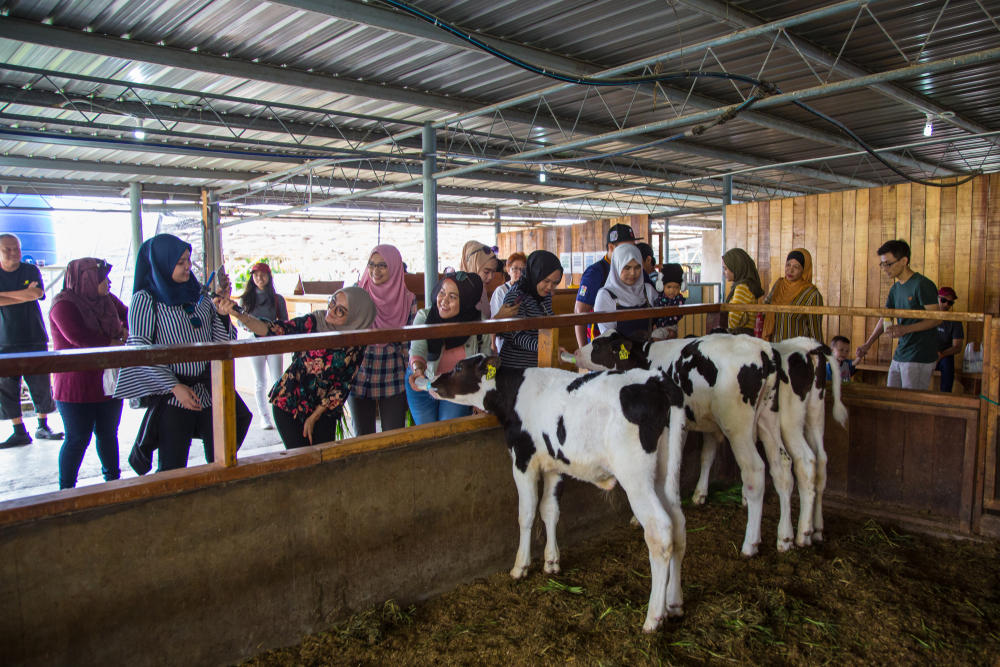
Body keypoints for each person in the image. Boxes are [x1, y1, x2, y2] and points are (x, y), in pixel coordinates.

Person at [114, 234, 251, 473]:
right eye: (180, 262)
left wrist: (221, 314)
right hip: (173, 396)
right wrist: (175, 387)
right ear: (162, 263)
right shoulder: (145, 300)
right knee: (173, 465)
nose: (188, 266)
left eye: (188, 259)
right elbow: (140, 350)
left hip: (208, 391)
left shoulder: (201, 296)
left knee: (222, 459)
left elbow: (223, 344)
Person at [228, 286, 376, 449]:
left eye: (340, 310)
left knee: (324, 459)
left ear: (356, 316)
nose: (332, 309)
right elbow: (274, 330)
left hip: (324, 408)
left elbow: (343, 384)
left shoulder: (356, 341)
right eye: (332, 301)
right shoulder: (314, 322)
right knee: (300, 457)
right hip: (290, 401)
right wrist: (240, 315)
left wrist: (314, 416)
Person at [48, 258, 128, 489]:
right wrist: (114, 342)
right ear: (87, 279)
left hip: (107, 381)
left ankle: (113, 481)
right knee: (77, 438)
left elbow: (130, 315)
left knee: (108, 434)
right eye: (103, 277)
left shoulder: (107, 300)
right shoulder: (63, 304)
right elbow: (78, 337)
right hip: (76, 384)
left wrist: (124, 329)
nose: (109, 282)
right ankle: (66, 489)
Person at [0, 233, 63, 448]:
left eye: (15, 248)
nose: (13, 252)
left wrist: (7, 296)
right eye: (7, 249)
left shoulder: (30, 269)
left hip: (34, 334)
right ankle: (18, 431)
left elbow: (36, 293)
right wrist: (24, 294)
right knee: (7, 386)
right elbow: (29, 294)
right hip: (4, 338)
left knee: (40, 381)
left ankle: (43, 425)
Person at [407, 272, 492, 424]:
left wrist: (482, 399)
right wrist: (418, 370)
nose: (444, 301)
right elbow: (418, 347)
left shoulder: (479, 323)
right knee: (426, 432)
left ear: (467, 300)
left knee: (448, 431)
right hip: (424, 380)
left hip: (457, 386)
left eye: (453, 297)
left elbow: (485, 364)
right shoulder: (424, 316)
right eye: (442, 292)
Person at [856, 239, 940, 390]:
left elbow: (937, 319)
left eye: (888, 264)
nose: (884, 268)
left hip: (920, 355)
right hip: (900, 353)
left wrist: (906, 329)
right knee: (891, 398)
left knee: (911, 404)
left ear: (904, 261)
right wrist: (867, 344)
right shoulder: (895, 288)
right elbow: (886, 317)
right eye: (882, 264)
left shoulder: (922, 284)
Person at [350, 245, 416, 436]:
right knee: (363, 436)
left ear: (395, 268)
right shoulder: (356, 294)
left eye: (382, 266)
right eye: (371, 264)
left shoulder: (406, 298)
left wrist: (411, 373)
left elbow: (408, 343)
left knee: (393, 435)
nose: (375, 271)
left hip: (392, 374)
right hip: (359, 373)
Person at [238, 262, 288, 430]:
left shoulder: (277, 299)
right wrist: (250, 325)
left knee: (278, 380)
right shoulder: (245, 299)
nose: (259, 278)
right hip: (254, 341)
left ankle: (280, 415)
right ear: (252, 277)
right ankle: (264, 417)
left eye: (263, 274)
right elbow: (239, 321)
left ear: (268, 277)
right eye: (256, 275)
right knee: (260, 381)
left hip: (274, 342)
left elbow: (285, 321)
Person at [574, 223, 640, 347]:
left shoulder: (637, 270)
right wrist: (583, 350)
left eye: (633, 247)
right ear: (611, 247)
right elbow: (580, 312)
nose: (630, 252)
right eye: (624, 247)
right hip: (601, 345)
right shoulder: (596, 273)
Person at [499, 250, 564, 369]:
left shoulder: (545, 295)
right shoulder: (516, 296)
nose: (550, 287)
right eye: (546, 281)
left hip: (539, 365)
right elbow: (518, 336)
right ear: (535, 273)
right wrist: (547, 347)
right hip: (516, 369)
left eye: (554, 283)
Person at [593, 244, 661, 339]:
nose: (633, 273)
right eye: (627, 268)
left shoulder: (648, 290)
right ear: (617, 267)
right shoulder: (606, 296)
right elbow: (608, 338)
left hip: (649, 352)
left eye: (637, 267)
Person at [762, 248, 824, 342]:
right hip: (774, 348)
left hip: (797, 352)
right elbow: (765, 307)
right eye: (788, 265)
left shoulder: (812, 295)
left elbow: (815, 331)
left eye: (796, 267)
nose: (790, 270)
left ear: (805, 269)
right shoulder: (779, 284)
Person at [722, 248, 764, 335]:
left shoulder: (742, 287)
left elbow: (733, 321)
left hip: (739, 337)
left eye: (725, 268)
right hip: (746, 336)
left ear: (736, 267)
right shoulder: (747, 285)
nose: (723, 273)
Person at [459, 240, 500, 319]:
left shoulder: (482, 290)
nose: (490, 277)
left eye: (494, 271)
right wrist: (499, 317)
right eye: (486, 272)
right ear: (472, 267)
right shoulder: (460, 294)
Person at [934, 287, 964, 393]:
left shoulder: (954, 321)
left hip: (943, 357)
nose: (947, 305)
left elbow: (957, 347)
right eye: (943, 300)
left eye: (950, 303)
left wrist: (941, 354)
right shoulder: (927, 316)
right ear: (936, 299)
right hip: (926, 355)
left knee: (947, 364)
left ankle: (945, 397)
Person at [652, 263, 686, 340]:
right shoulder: (660, 297)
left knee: (655, 335)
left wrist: (658, 324)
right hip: (660, 325)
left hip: (669, 326)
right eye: (669, 287)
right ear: (662, 286)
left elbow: (673, 318)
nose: (672, 290)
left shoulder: (679, 300)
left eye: (676, 287)